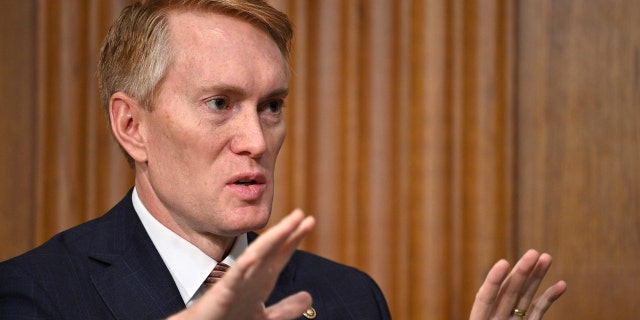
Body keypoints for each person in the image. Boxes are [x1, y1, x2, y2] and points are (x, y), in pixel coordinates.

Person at [0, 0, 567, 319]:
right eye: (219, 103)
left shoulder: (350, 300)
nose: (255, 139)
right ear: (132, 126)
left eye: (271, 106)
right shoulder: (33, 295)